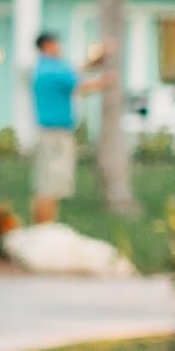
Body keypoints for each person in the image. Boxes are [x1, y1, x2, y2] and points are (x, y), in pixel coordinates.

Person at [29, 32, 104, 225]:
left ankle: (41, 226)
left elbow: (73, 72)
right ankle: (46, 227)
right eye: (56, 44)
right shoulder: (52, 69)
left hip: (48, 132)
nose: (59, 48)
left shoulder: (43, 68)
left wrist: (93, 63)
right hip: (56, 134)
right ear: (46, 46)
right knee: (52, 183)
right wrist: (105, 82)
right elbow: (80, 84)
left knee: (46, 181)